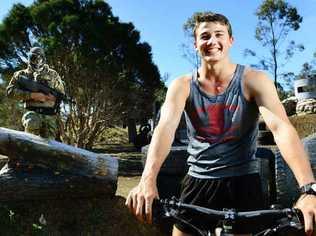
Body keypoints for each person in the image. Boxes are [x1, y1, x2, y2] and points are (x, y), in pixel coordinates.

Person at [125, 12, 316, 235]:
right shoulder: (182, 85)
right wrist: (147, 180)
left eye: (219, 34)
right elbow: (165, 128)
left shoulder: (254, 80)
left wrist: (309, 190)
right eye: (205, 36)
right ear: (195, 44)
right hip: (198, 180)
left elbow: (281, 128)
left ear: (230, 41)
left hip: (244, 180)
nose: (212, 41)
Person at [7, 47, 65, 139]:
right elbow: (10, 91)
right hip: (32, 113)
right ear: (29, 58)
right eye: (34, 58)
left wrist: (53, 98)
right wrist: (32, 95)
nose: (37, 61)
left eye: (39, 58)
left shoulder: (53, 75)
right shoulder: (21, 75)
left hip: (50, 116)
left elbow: (61, 94)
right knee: (30, 139)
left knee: (49, 146)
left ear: (44, 59)